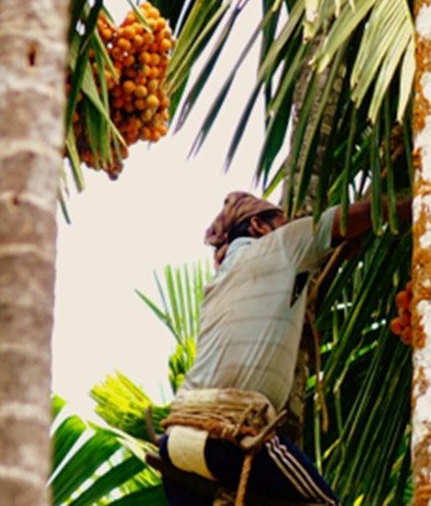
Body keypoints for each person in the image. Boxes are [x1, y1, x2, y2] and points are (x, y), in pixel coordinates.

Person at [153, 191, 409, 506]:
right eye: (283, 222)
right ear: (259, 225)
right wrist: (414, 206)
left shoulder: (221, 280)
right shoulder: (283, 245)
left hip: (176, 444)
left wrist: (334, 256)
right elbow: (355, 215)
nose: (290, 227)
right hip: (233, 435)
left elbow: (292, 281)